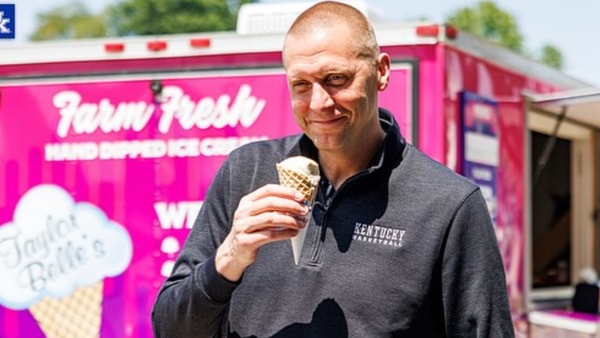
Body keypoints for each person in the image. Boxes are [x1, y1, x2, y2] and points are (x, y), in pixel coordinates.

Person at [151, 1, 514, 337]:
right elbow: (169, 329)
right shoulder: (245, 172)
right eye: (301, 85)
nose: (319, 103)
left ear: (381, 71)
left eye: (336, 79)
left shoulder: (449, 204)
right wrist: (230, 257)